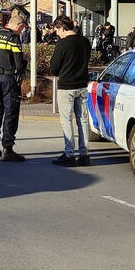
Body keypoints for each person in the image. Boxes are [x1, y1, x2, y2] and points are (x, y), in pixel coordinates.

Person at [0, 7, 29, 162]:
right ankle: (8, 148)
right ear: (19, 26)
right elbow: (18, 64)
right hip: (8, 79)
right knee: (10, 112)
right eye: (22, 29)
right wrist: (25, 60)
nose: (22, 32)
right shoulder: (13, 39)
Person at [49, 15, 93, 167]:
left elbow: (54, 67)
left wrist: (60, 71)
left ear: (62, 27)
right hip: (82, 84)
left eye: (57, 30)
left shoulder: (62, 44)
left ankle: (69, 154)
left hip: (67, 86)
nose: (57, 33)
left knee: (66, 120)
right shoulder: (85, 42)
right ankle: (84, 154)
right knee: (83, 120)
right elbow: (87, 59)